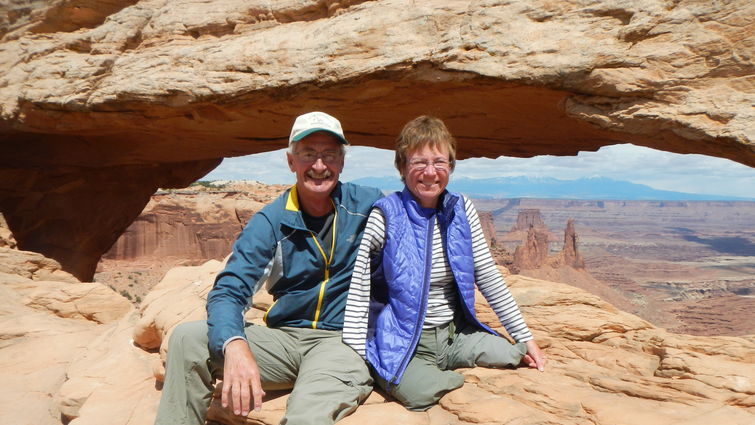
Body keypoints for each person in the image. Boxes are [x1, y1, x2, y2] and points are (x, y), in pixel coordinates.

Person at [154, 111, 383, 425]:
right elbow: (229, 290)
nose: (319, 165)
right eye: (308, 155)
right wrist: (233, 344)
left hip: (341, 342)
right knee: (186, 339)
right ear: (291, 162)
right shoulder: (272, 220)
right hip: (284, 341)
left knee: (307, 414)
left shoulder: (367, 205)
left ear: (341, 161)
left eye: (329, 154)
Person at [342, 115, 547, 411]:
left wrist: (524, 338)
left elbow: (487, 275)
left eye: (439, 162)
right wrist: (360, 354)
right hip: (406, 342)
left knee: (515, 356)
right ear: (402, 167)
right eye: (418, 162)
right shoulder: (386, 215)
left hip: (457, 335)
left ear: (450, 166)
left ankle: (447, 368)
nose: (430, 172)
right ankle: (425, 375)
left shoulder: (460, 209)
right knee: (420, 394)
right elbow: (359, 287)